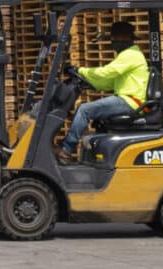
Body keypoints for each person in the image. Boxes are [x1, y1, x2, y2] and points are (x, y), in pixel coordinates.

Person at [56, 20, 149, 165]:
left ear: (123, 38)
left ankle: (66, 150)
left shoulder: (131, 54)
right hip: (127, 99)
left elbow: (106, 72)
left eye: (114, 38)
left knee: (84, 110)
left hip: (129, 102)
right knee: (86, 109)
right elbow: (109, 82)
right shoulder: (129, 54)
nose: (112, 42)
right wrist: (90, 83)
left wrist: (80, 70)